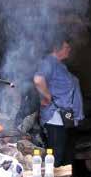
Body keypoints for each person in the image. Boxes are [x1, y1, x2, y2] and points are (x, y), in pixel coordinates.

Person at [33, 36, 84, 166]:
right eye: (66, 47)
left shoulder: (59, 65)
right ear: (56, 48)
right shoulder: (49, 62)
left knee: (66, 153)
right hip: (56, 117)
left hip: (65, 117)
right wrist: (47, 96)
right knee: (56, 155)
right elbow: (38, 80)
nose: (69, 49)